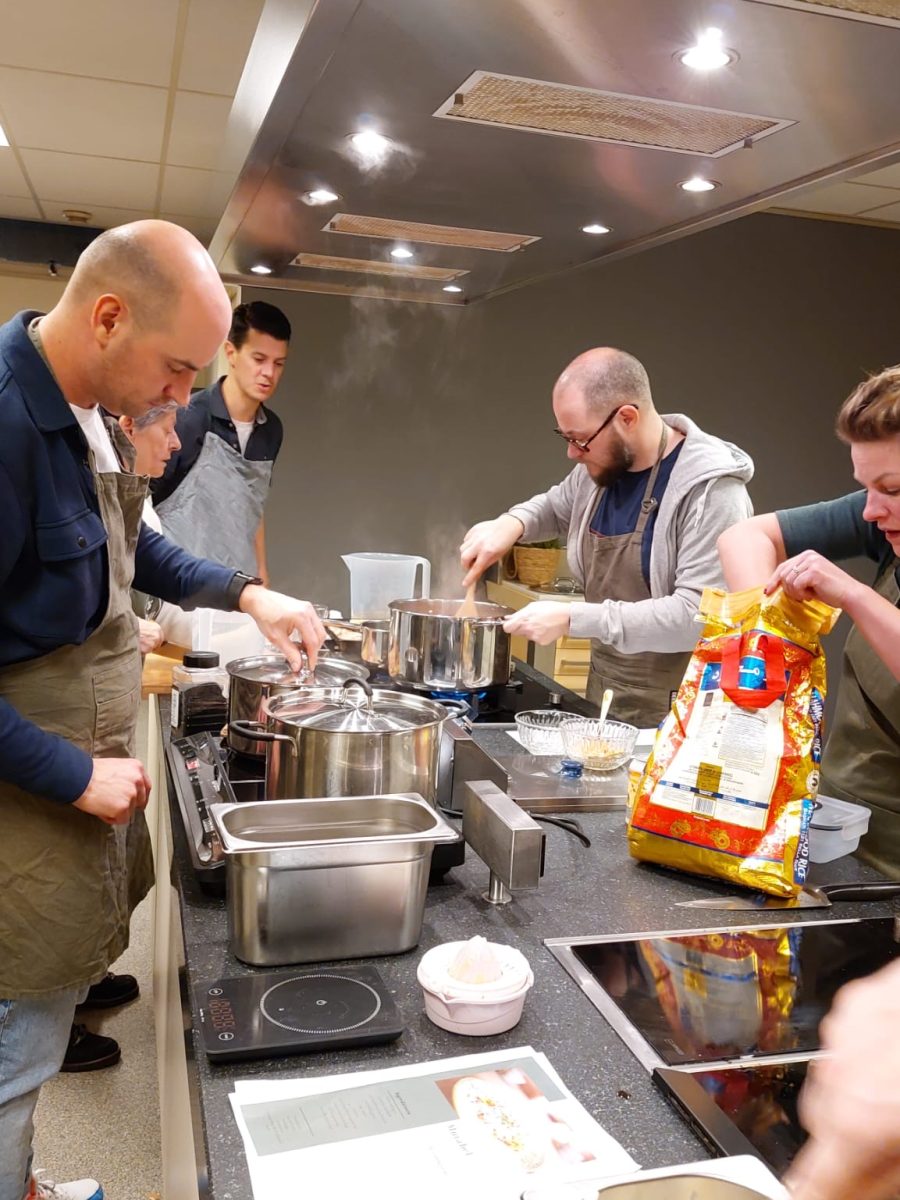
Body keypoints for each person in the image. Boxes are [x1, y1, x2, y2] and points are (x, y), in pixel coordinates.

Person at [0, 220, 324, 1200]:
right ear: (108, 317)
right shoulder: (8, 425)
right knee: (17, 1043)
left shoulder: (87, 408)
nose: (186, 399)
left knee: (37, 1028)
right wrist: (75, 774)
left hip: (67, 776)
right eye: (181, 370)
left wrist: (250, 594)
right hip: (29, 785)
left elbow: (141, 550)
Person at [460, 347, 754, 727]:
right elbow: (555, 506)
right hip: (605, 688)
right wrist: (510, 524)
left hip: (682, 709)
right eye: (563, 437)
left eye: (580, 440)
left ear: (627, 417)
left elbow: (694, 618)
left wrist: (572, 618)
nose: (571, 453)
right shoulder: (602, 466)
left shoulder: (711, 493)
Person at [717, 364, 900, 877]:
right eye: (866, 488)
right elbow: (744, 537)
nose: (871, 511)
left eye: (893, 489)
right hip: (838, 827)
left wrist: (855, 596)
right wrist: (766, 636)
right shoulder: (881, 518)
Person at [151, 300, 291, 584]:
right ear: (231, 353)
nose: (269, 373)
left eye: (278, 364)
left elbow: (254, 503)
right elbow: (142, 507)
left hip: (241, 590)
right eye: (259, 359)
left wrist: (262, 577)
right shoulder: (186, 417)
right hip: (180, 590)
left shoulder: (272, 429)